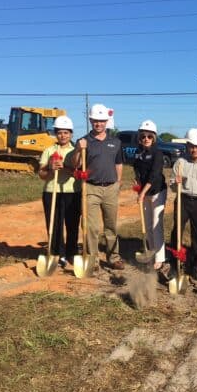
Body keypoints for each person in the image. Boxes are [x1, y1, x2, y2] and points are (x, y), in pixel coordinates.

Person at [73, 104, 125, 270]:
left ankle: (113, 257)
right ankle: (93, 260)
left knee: (111, 226)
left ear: (106, 121)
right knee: (92, 226)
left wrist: (118, 182)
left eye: (101, 121)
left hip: (111, 188)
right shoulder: (84, 141)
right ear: (90, 120)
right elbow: (76, 164)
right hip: (91, 188)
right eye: (95, 121)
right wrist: (78, 150)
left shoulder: (115, 142)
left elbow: (119, 163)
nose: (98, 124)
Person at [168, 128, 197, 279]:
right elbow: (172, 185)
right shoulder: (180, 163)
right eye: (192, 146)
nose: (194, 149)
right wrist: (175, 183)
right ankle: (174, 266)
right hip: (183, 199)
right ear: (187, 146)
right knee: (177, 232)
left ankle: (194, 267)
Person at [38, 115, 81, 269]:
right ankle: (57, 253)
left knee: (72, 224)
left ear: (71, 134)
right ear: (55, 133)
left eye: (66, 132)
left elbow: (79, 174)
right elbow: (41, 175)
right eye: (60, 132)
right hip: (52, 191)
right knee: (54, 224)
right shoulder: (49, 151)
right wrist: (50, 168)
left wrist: (66, 167)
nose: (63, 135)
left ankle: (71, 252)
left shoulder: (75, 151)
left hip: (72, 192)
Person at [133, 120, 167, 270]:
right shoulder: (138, 152)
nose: (146, 139)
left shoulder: (158, 154)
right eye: (143, 136)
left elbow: (154, 176)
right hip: (145, 192)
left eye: (149, 136)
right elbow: (137, 170)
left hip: (157, 191)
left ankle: (160, 257)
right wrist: (137, 183)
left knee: (155, 225)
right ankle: (151, 252)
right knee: (147, 225)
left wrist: (142, 193)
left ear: (154, 137)